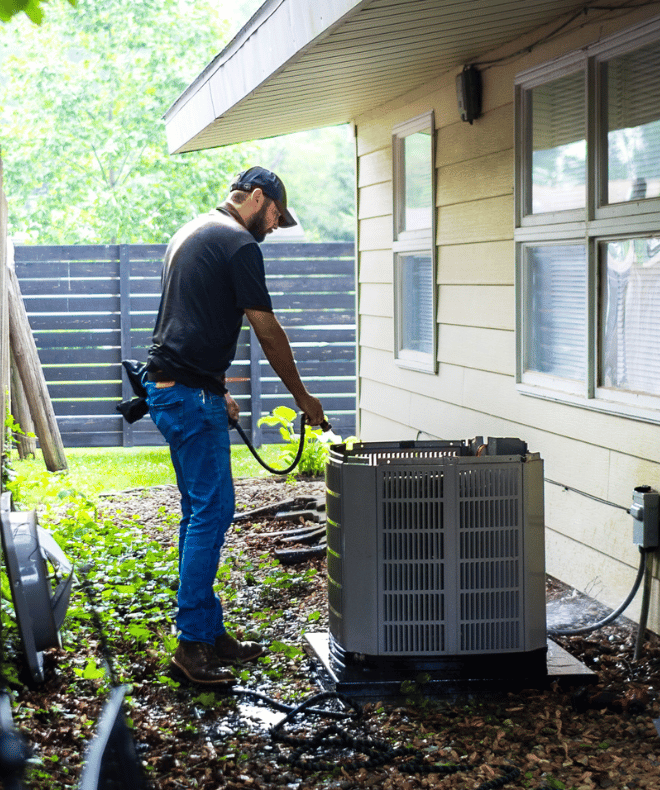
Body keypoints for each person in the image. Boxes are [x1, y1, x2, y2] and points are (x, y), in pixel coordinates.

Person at [144, 167, 325, 686]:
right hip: (185, 395)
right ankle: (192, 645)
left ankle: (207, 629)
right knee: (213, 513)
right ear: (260, 199)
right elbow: (266, 329)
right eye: (276, 216)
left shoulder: (194, 230)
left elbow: (191, 317)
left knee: (198, 513)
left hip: (175, 387)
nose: (274, 227)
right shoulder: (240, 243)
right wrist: (302, 397)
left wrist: (216, 387)